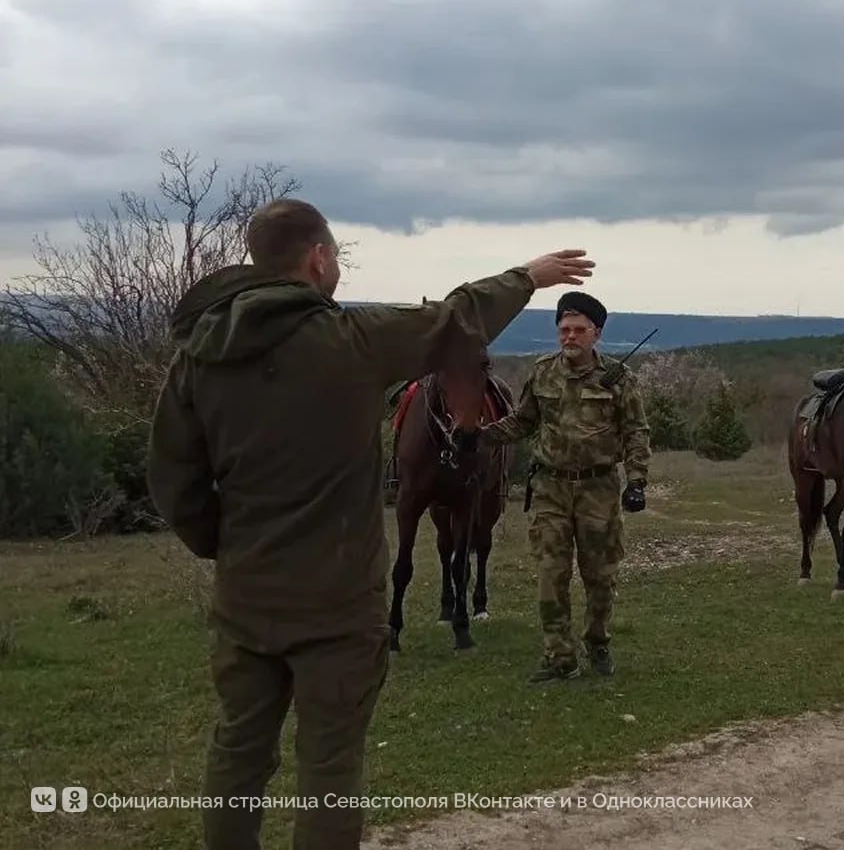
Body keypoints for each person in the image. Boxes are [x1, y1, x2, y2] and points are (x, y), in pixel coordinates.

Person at [144, 197, 595, 849]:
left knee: (237, 752)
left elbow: (172, 478)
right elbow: (455, 319)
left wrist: (222, 544)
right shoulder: (353, 341)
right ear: (320, 258)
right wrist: (528, 275)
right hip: (339, 603)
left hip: (245, 597)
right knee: (329, 770)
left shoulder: (197, 356)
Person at [472, 291, 651, 683]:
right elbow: (523, 421)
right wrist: (482, 437)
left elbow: (636, 432)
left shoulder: (618, 380)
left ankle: (598, 641)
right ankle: (560, 657)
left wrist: (637, 481)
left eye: (578, 330)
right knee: (551, 574)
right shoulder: (542, 372)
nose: (569, 337)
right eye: (563, 330)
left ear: (596, 333)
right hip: (551, 487)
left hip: (598, 489)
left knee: (600, 576)